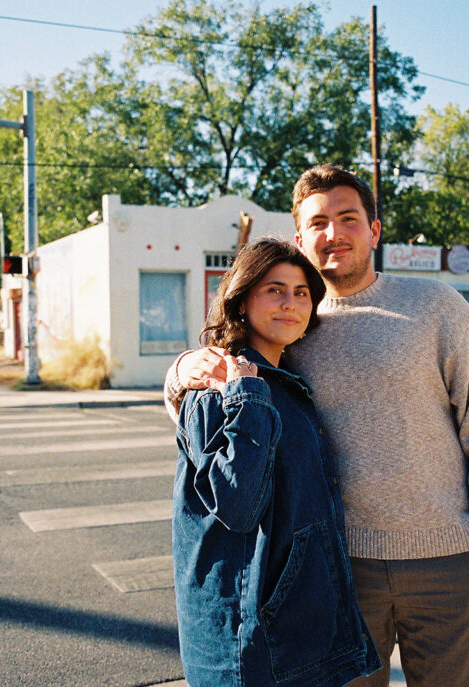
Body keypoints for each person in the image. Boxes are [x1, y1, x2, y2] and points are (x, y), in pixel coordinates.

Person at [166, 164, 469, 687]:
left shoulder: (436, 307)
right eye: (318, 222)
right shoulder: (290, 325)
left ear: (374, 229)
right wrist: (177, 375)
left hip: (449, 563)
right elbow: (224, 409)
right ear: (299, 237)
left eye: (348, 218)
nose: (333, 234)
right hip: (337, 571)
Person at [171, 237, 381, 687]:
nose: (290, 303)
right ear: (242, 300)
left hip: (295, 625)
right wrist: (245, 395)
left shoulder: (283, 380)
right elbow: (238, 505)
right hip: (251, 636)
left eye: (301, 292)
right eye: (274, 290)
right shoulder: (218, 385)